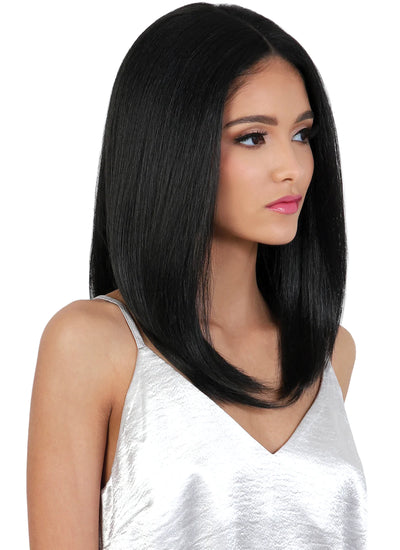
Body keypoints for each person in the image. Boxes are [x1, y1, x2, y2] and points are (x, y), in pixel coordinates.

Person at [26, 2, 368, 548]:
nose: (293, 167)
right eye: (253, 137)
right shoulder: (93, 345)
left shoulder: (327, 352)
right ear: (174, 148)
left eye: (302, 134)